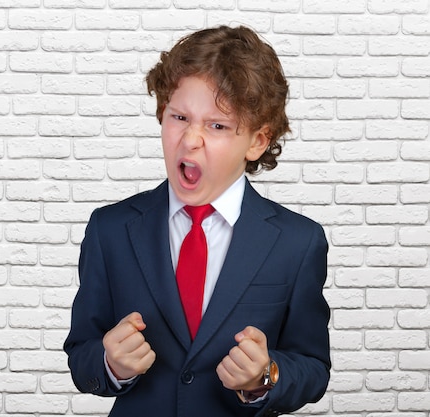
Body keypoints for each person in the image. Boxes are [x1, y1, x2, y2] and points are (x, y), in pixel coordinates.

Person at [64, 25, 330, 417]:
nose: (190, 139)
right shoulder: (111, 229)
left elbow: (312, 369)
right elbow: (81, 353)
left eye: (217, 125)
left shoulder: (298, 242)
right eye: (179, 117)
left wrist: (265, 376)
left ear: (258, 140)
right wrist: (110, 364)